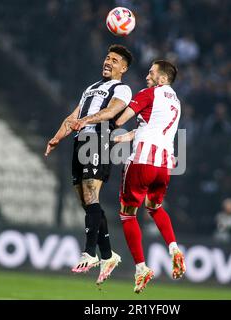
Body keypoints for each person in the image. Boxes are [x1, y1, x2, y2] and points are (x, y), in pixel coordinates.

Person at [44, 44, 133, 285]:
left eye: (114, 60)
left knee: (92, 195)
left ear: (123, 68)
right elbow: (73, 117)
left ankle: (90, 252)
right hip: (80, 140)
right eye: (107, 57)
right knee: (85, 200)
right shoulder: (91, 88)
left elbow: (110, 112)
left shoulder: (122, 89)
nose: (108, 62)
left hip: (98, 138)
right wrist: (57, 137)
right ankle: (108, 255)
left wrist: (86, 121)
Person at [112, 60, 186, 293]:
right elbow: (152, 126)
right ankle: (174, 248)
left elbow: (120, 119)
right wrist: (130, 135)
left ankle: (141, 268)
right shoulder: (175, 101)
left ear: (162, 79)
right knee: (154, 207)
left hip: (143, 160)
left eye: (152, 73)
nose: (147, 76)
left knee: (127, 213)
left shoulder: (149, 94)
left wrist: (113, 110)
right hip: (164, 165)